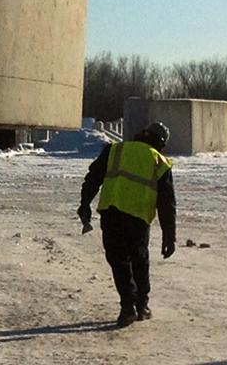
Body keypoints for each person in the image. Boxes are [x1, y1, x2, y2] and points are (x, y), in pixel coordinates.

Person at [79, 121, 177, 326]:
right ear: (161, 143)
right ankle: (141, 306)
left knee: (119, 261)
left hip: (112, 212)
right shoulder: (159, 161)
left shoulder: (115, 150)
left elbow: (93, 178)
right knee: (139, 260)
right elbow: (167, 204)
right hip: (139, 218)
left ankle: (127, 307)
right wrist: (169, 237)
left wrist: (85, 204)